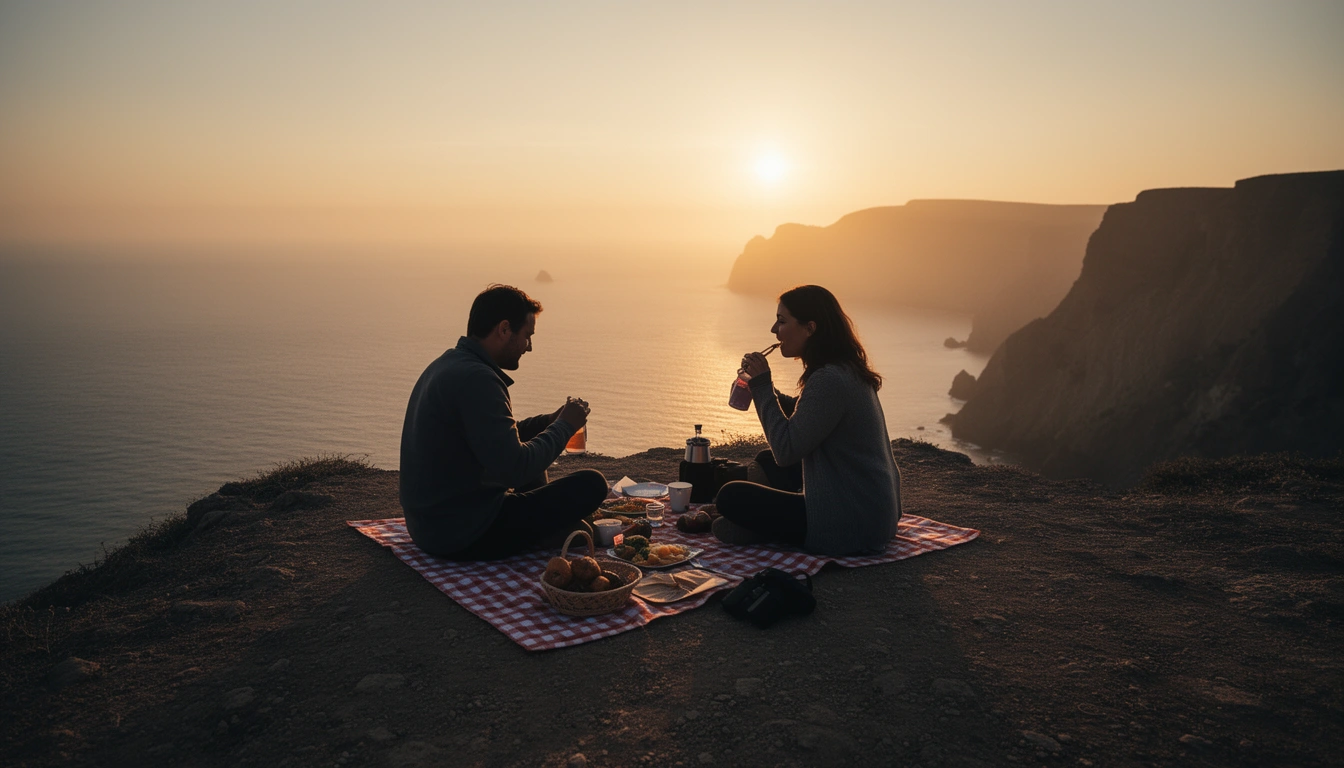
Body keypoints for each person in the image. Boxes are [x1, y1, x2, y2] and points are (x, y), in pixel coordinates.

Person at [399, 284, 608, 559]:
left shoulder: (448, 365)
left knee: (531, 451)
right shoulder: (478, 379)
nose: (529, 347)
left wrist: (549, 421)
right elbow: (515, 469)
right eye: (527, 336)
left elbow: (497, 440)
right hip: (464, 533)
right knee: (592, 484)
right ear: (504, 329)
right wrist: (565, 426)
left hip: (432, 525)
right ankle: (549, 531)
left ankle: (553, 528)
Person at [713, 285, 902, 555]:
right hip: (873, 512)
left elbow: (787, 451)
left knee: (731, 497)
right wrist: (763, 389)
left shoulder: (829, 380)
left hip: (852, 524)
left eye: (782, 321)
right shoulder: (843, 369)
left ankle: (756, 527)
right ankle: (759, 526)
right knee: (766, 461)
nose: (773, 330)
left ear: (810, 328)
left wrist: (764, 387)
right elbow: (809, 417)